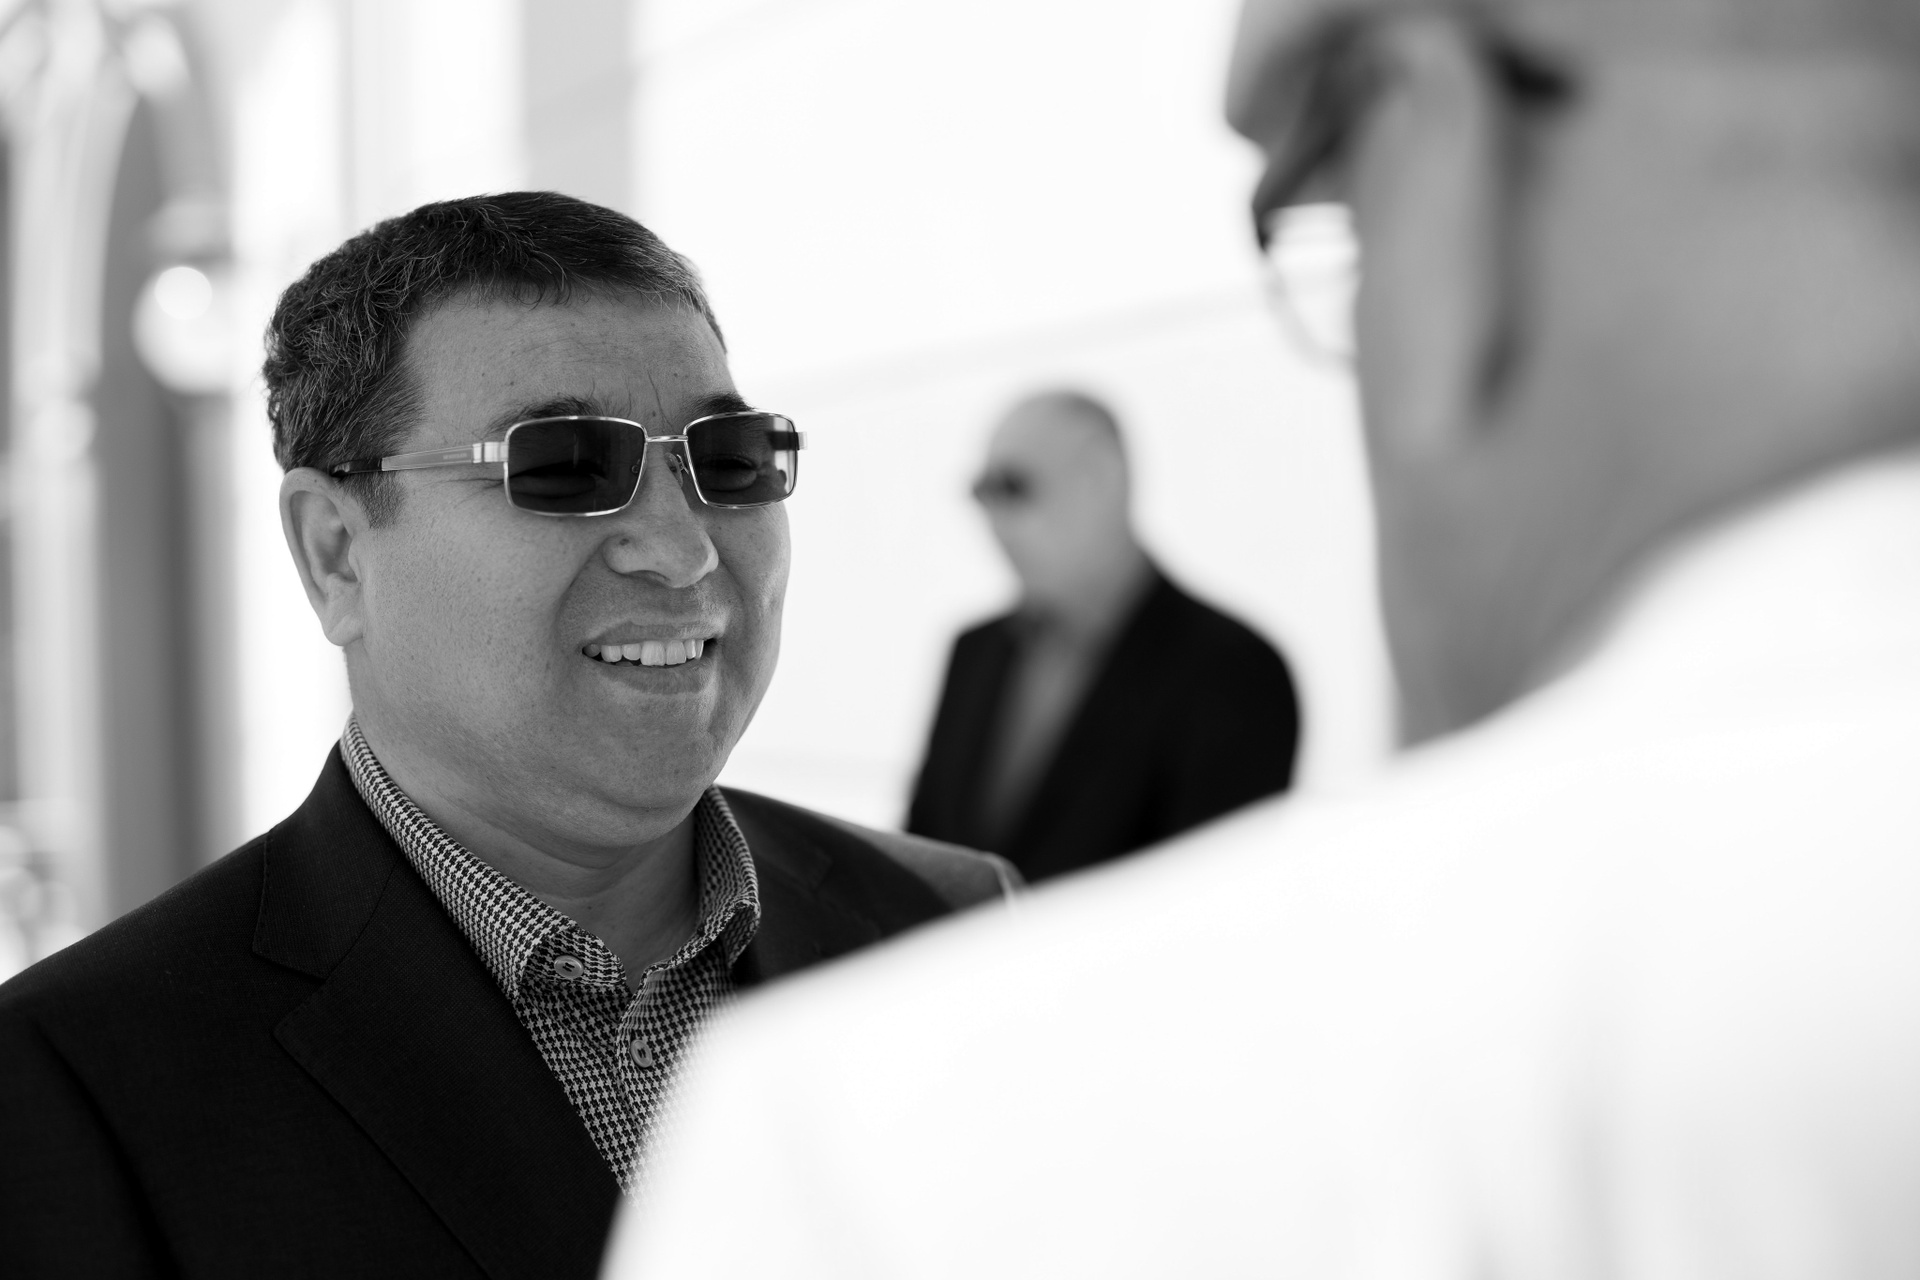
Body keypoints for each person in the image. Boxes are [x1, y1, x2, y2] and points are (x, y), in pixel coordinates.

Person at [608, 0, 1920, 1275]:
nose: (989, 516)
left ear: (1438, 140)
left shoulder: (891, 1160)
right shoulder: (978, 665)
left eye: (1332, 209)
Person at [0, 192, 1014, 1280]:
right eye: (567, 465)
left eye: (729, 458)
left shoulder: (954, 932)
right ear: (336, 553)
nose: (681, 550)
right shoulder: (69, 1088)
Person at [907, 390, 1300, 881]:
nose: (994, 519)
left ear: (1101, 479)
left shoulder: (1234, 670)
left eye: (1013, 486)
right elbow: (916, 861)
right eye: (981, 492)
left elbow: (1216, 896)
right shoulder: (974, 652)